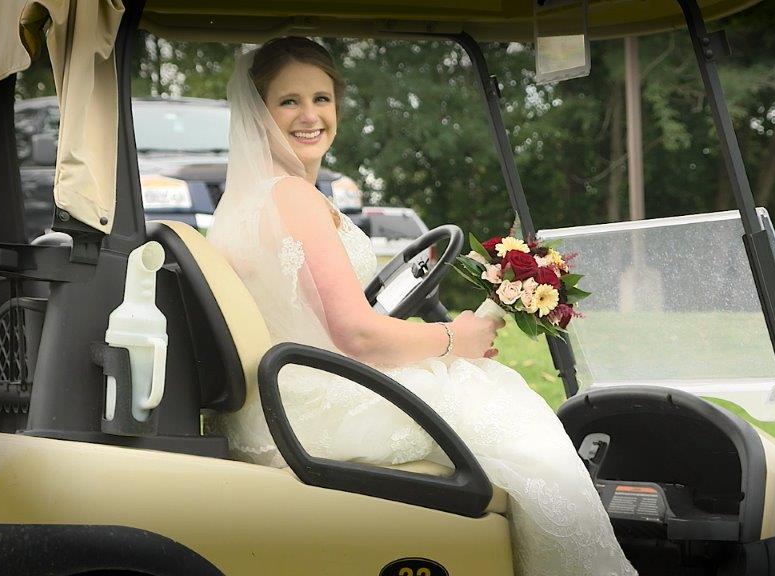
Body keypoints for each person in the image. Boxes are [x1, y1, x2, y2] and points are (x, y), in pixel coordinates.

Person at [206, 37, 636, 576]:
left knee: (481, 391)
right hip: (314, 398)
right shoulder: (293, 198)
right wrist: (457, 338)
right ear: (259, 112)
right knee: (505, 400)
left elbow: (323, 315)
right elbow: (356, 336)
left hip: (286, 394)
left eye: (321, 98)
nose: (310, 115)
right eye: (289, 101)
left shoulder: (245, 201)